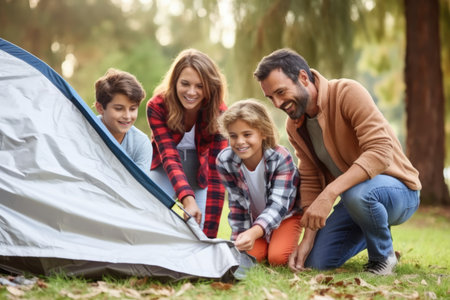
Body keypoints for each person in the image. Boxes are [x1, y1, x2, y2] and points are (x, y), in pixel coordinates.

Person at [253, 48, 421, 275]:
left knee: (357, 193)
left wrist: (331, 193)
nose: (277, 103)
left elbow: (381, 152)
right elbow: (311, 179)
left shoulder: (347, 92)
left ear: (303, 77)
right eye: (271, 97)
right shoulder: (295, 126)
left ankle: (382, 258)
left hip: (400, 192)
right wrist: (308, 239)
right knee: (316, 262)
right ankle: (374, 229)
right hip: (356, 199)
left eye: (281, 92)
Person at [146, 49, 228, 238]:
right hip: (165, 169)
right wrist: (186, 198)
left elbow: (217, 173)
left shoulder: (220, 112)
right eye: (185, 84)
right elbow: (168, 156)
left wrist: (209, 239)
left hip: (200, 171)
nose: (192, 92)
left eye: (200, 86)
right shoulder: (157, 106)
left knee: (200, 231)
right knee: (150, 214)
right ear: (175, 82)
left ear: (209, 87)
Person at [216, 99, 301, 265]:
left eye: (247, 134)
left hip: (285, 215)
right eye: (233, 136)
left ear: (263, 133)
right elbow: (237, 205)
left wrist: (254, 233)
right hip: (254, 220)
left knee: (278, 258)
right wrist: (239, 240)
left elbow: (278, 205)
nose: (240, 141)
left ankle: (282, 240)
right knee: (251, 257)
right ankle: (266, 241)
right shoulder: (225, 161)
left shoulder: (280, 158)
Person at [95, 68, 152, 174]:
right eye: (119, 108)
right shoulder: (86, 132)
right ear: (100, 108)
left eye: (132, 109)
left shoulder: (141, 144)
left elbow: (139, 187)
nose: (127, 116)